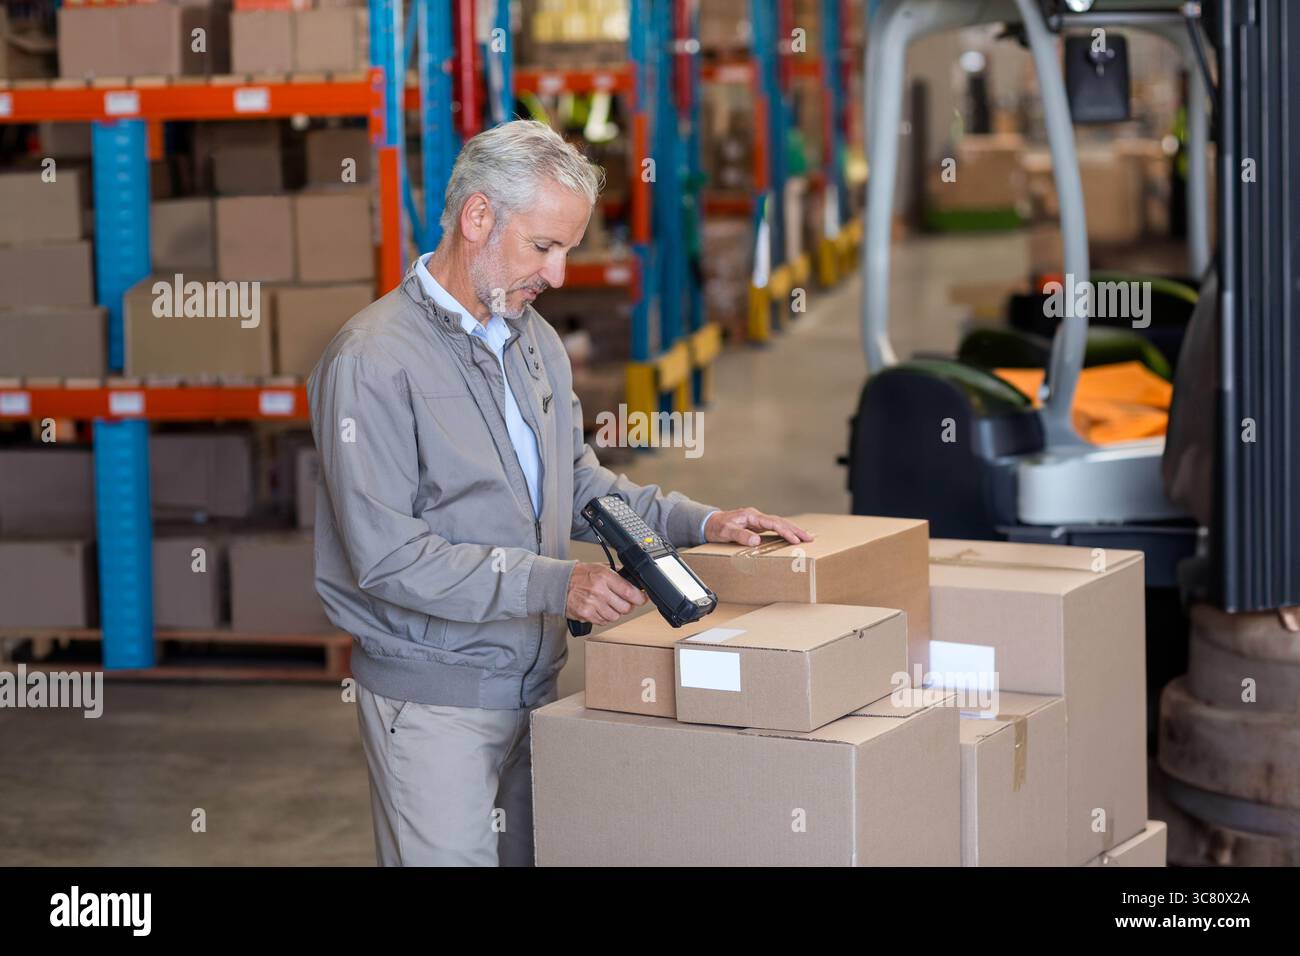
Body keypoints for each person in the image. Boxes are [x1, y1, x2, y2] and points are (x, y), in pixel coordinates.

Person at [308, 119, 811, 866]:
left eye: (568, 250)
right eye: (544, 247)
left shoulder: (531, 340)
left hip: (534, 683)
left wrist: (700, 522)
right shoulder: (373, 361)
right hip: (434, 701)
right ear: (478, 217)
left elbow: (576, 484)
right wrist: (559, 585)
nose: (559, 274)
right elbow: (387, 557)